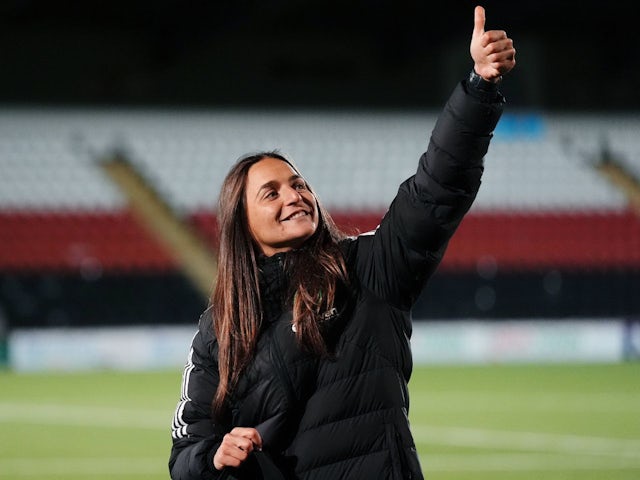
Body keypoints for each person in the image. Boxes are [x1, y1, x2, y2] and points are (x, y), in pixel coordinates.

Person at [169, 5, 515, 479]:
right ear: (241, 223)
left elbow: (435, 191)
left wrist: (478, 88)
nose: (295, 196)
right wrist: (214, 455)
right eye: (271, 193)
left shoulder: (368, 269)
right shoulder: (220, 327)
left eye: (299, 184)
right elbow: (185, 451)